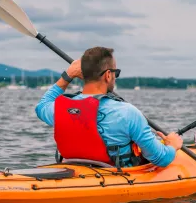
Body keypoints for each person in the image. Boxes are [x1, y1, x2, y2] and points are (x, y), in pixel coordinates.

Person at [35, 47, 183, 168]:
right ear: (107, 75)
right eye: (115, 73)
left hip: (73, 170)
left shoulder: (60, 108)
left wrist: (67, 75)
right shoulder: (127, 112)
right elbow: (160, 159)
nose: (114, 77)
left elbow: (42, 106)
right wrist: (172, 146)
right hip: (114, 176)